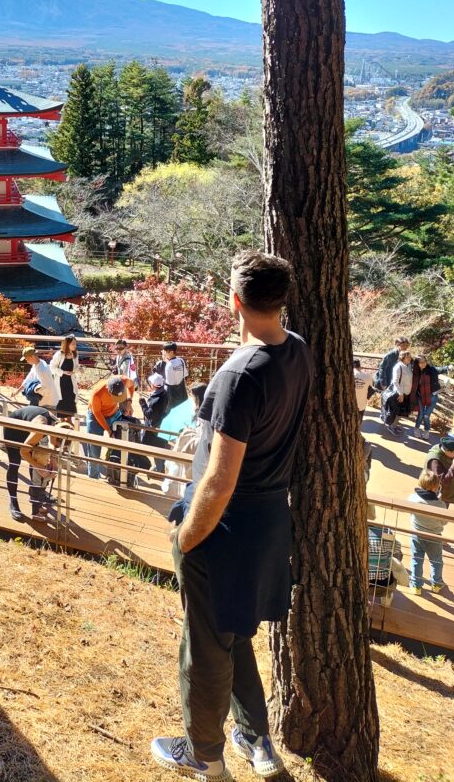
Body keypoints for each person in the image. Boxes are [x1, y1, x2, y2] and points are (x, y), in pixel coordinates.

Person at [151, 250, 313, 781]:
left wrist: (189, 536)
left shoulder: (238, 376)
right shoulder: (298, 353)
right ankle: (255, 738)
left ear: (235, 300)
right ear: (279, 300)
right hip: (269, 523)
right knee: (236, 631)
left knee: (204, 646)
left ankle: (204, 754)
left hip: (223, 528)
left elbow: (220, 479)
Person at [1, 404, 59, 522]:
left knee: (36, 460)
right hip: (14, 429)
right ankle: (13, 502)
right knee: (14, 464)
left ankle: (37, 498)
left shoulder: (57, 425)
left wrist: (53, 461)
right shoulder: (41, 429)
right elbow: (24, 452)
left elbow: (54, 445)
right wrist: (38, 466)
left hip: (29, 429)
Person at [84, 375, 135, 480]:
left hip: (114, 413)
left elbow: (132, 385)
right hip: (95, 417)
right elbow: (97, 413)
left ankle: (117, 472)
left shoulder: (124, 380)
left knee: (120, 442)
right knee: (94, 449)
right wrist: (109, 430)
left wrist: (129, 402)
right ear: (108, 389)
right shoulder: (97, 393)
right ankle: (93, 477)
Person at [407, 469, 448, 595]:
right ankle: (436, 584)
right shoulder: (440, 505)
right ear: (437, 486)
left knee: (416, 559)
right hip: (434, 536)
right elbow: (444, 522)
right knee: (436, 561)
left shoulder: (413, 498)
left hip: (417, 533)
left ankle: (416, 586)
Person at [139, 372, 170, 474]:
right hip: (161, 424)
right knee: (160, 445)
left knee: (154, 447)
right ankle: (161, 466)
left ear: (154, 385)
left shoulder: (156, 400)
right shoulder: (164, 393)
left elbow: (149, 414)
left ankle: (159, 468)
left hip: (153, 427)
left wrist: (143, 403)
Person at [412, 355, 449, 439]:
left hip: (432, 396)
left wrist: (448, 367)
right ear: (417, 363)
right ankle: (416, 429)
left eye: (424, 361)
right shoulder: (415, 372)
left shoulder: (432, 370)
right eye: (420, 362)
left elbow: (441, 369)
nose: (423, 364)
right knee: (421, 415)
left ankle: (426, 431)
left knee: (426, 416)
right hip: (420, 396)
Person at [425, 436, 454, 505]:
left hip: (444, 492)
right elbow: (443, 481)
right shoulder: (435, 461)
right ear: (447, 450)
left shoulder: (444, 450)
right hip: (437, 495)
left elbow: (450, 458)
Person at [381, 350, 413, 436]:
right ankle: (391, 427)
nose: (410, 358)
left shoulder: (408, 365)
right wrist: (401, 394)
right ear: (402, 358)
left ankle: (394, 426)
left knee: (400, 411)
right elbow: (395, 381)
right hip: (399, 394)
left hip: (406, 393)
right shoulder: (398, 367)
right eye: (408, 357)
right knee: (395, 411)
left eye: (410, 357)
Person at [50, 335, 79, 417]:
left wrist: (76, 370)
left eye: (75, 344)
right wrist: (63, 372)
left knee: (71, 399)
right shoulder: (59, 354)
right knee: (61, 400)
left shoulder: (75, 354)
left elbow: (76, 366)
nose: (75, 346)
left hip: (71, 381)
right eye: (73, 344)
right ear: (67, 344)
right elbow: (52, 367)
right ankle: (62, 420)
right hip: (61, 382)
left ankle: (69, 419)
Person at [352, 358, 372, 424]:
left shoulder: (348, 375)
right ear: (360, 365)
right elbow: (371, 386)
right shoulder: (368, 376)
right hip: (362, 403)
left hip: (350, 403)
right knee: (359, 420)